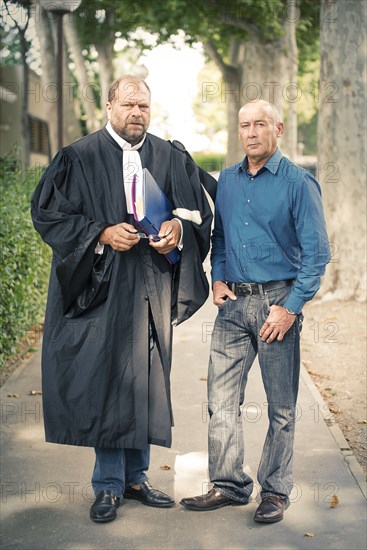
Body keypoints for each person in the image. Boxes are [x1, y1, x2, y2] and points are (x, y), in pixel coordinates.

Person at [31, 75, 215, 523]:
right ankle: (107, 485)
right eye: (129, 104)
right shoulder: (78, 157)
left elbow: (197, 213)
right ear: (109, 106)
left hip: (152, 284)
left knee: (147, 380)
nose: (137, 113)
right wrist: (100, 232)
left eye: (144, 107)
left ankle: (137, 478)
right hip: (102, 286)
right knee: (107, 379)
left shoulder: (169, 156)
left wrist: (178, 233)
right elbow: (48, 214)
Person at [180, 100, 330, 523]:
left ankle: (276, 491)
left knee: (281, 406)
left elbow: (317, 256)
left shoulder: (299, 183)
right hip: (233, 306)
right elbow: (221, 235)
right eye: (244, 125)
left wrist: (291, 309)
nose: (251, 132)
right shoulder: (226, 179)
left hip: (276, 304)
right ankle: (228, 485)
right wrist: (219, 277)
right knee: (221, 400)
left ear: (278, 129)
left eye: (260, 124)